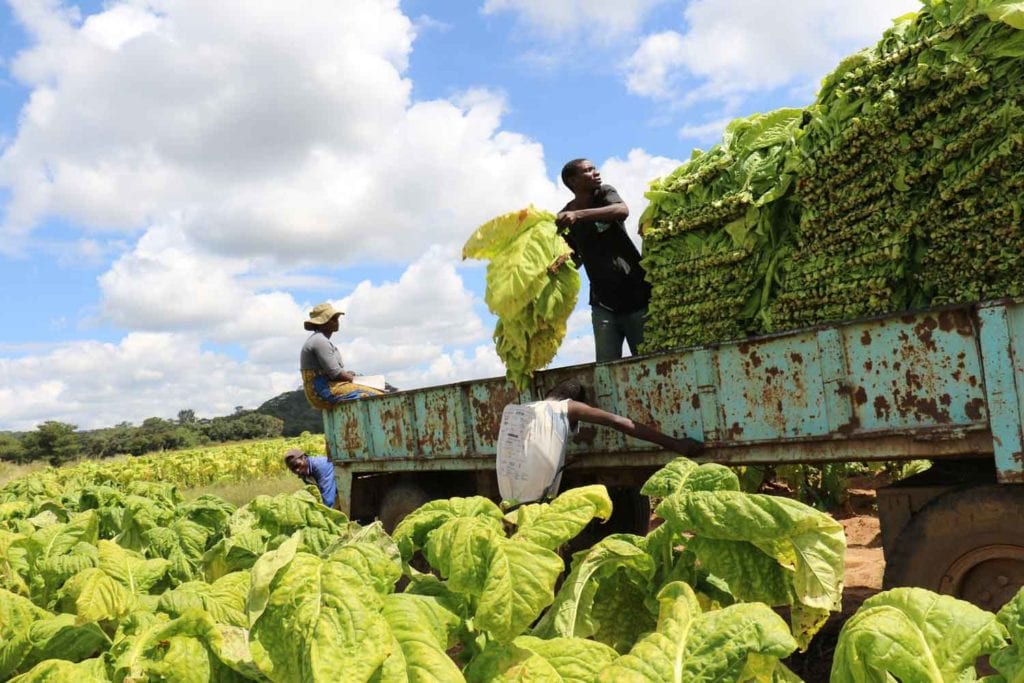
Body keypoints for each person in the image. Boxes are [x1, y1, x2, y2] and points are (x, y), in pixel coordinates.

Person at [496, 378, 701, 504]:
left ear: (548, 393)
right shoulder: (566, 407)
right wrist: (675, 444)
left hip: (507, 494)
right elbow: (618, 422)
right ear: (574, 401)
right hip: (536, 500)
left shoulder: (515, 410)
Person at [553, 158, 652, 362]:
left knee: (646, 362)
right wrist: (557, 265)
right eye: (588, 171)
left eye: (594, 168)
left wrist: (579, 215)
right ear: (573, 181)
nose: (595, 173)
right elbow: (574, 257)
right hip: (603, 303)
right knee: (607, 366)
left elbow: (621, 211)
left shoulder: (604, 194)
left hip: (636, 295)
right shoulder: (567, 216)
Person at [299, 302, 389, 410]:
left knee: (381, 390)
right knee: (375, 396)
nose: (337, 322)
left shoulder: (320, 340)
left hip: (325, 387)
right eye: (333, 319)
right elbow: (336, 373)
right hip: (323, 390)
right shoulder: (320, 341)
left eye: (337, 318)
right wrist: (358, 380)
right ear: (322, 322)